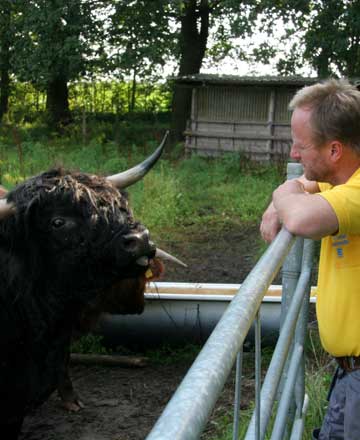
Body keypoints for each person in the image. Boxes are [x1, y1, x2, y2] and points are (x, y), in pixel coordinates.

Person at [260, 79, 360, 440]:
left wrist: (281, 194)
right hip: (348, 372)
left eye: (301, 146)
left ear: (334, 150)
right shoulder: (340, 181)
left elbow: (300, 219)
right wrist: (288, 196)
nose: (293, 155)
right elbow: (304, 183)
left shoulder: (357, 192)